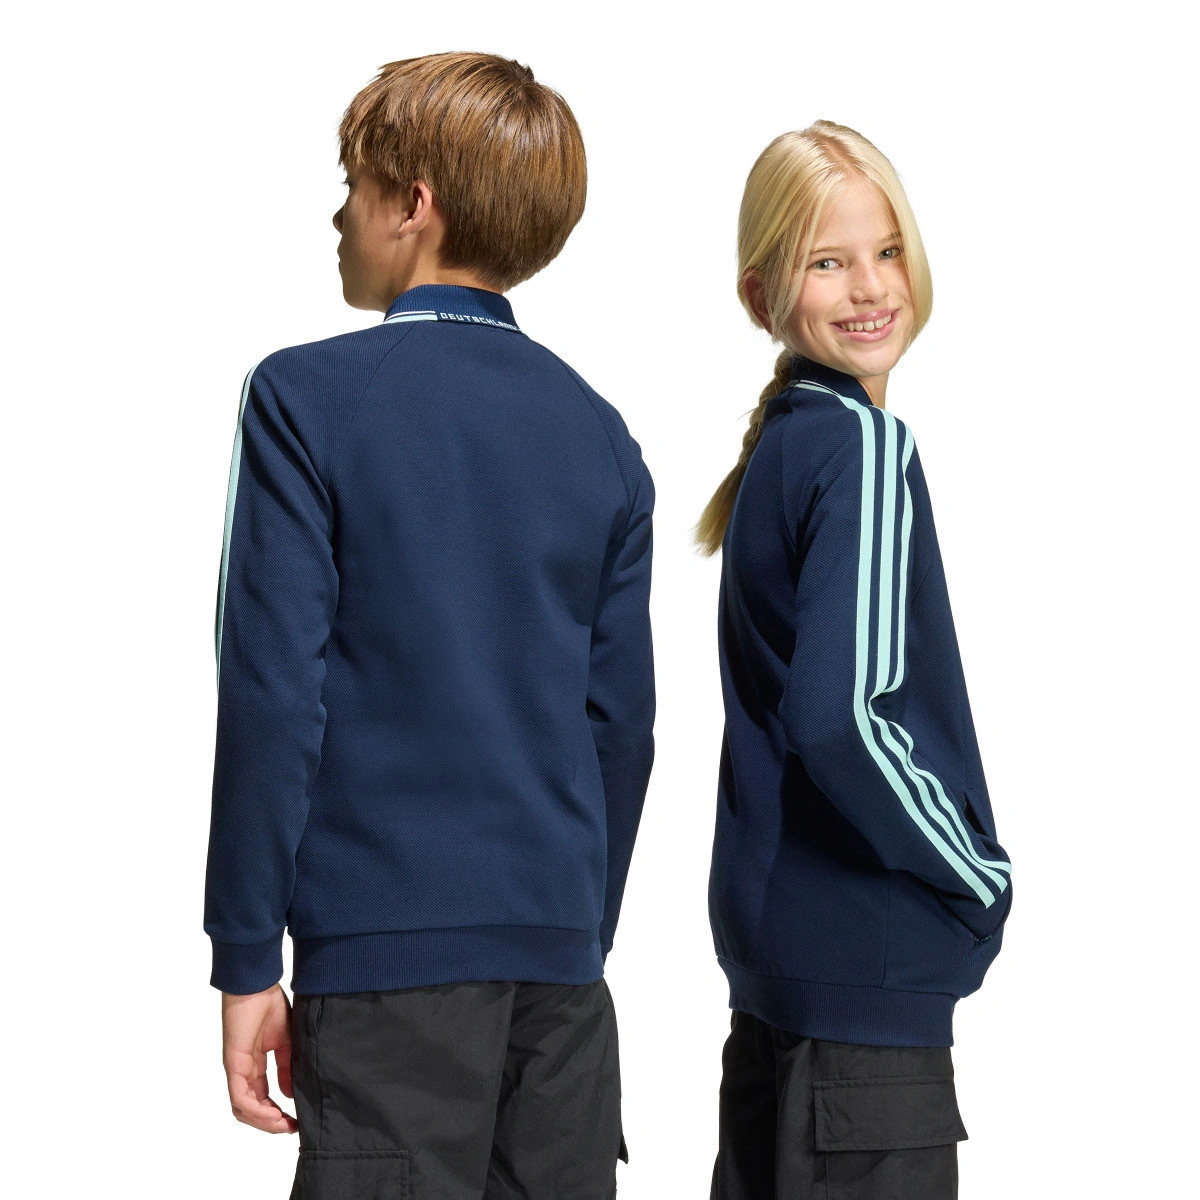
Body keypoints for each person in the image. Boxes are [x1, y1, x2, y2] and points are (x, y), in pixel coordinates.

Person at [205, 52, 655, 1199]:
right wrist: (573, 931)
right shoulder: (600, 435)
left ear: (413, 205)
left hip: (389, 967)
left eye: (353, 187)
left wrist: (247, 955)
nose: (338, 217)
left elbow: (274, 693)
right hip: (562, 981)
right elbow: (620, 728)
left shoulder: (306, 397)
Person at [695, 121, 1014, 1199]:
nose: (871, 287)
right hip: (864, 996)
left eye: (886, 250)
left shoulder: (787, 443)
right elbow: (843, 719)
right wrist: (973, 872)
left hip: (778, 979)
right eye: (826, 262)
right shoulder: (864, 448)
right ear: (762, 295)